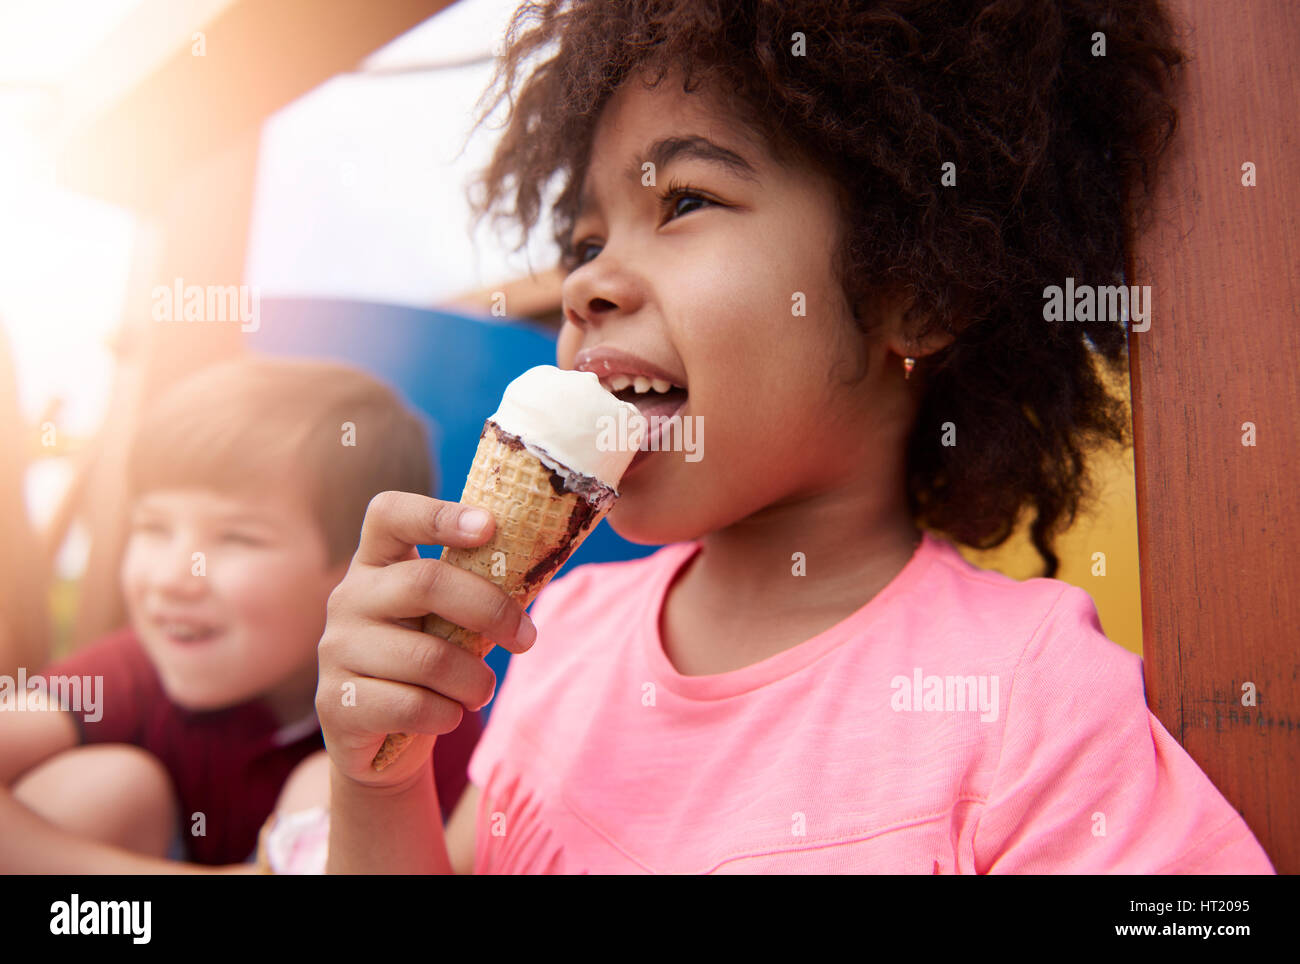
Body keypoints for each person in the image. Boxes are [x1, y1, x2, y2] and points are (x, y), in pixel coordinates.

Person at [288, 0, 1274, 873]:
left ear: (919, 287)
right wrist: (381, 777)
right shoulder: (563, 632)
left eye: (684, 201)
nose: (586, 283)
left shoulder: (1027, 703)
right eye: (586, 241)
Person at [0, 356, 483, 872]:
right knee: (105, 788)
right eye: (154, 528)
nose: (172, 577)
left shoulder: (422, 708)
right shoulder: (134, 669)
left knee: (332, 782)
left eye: (236, 537)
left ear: (360, 570)